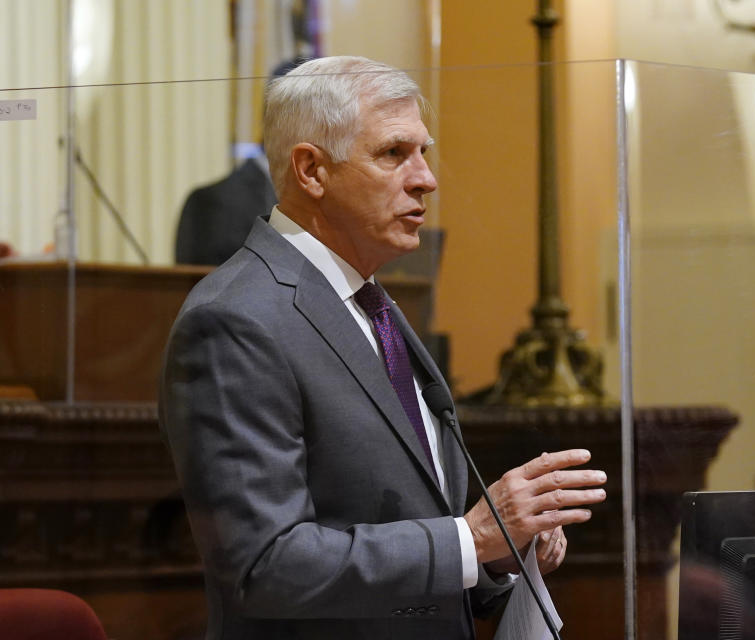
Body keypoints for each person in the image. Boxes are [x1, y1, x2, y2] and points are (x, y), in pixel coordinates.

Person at [159, 56, 607, 640]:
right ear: (312, 170)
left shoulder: (371, 302)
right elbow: (264, 565)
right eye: (394, 154)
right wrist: (470, 538)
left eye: (423, 151)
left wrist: (496, 555)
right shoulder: (235, 319)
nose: (426, 178)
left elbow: (415, 531)